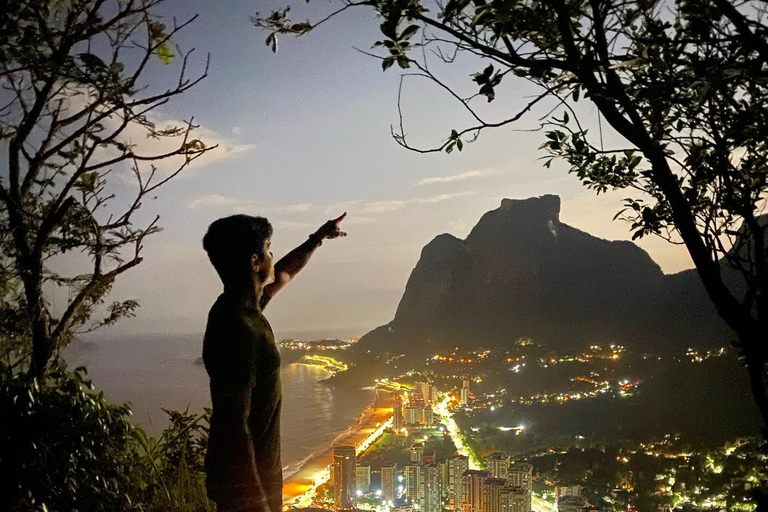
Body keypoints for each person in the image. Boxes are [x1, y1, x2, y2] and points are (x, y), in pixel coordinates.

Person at [201, 213, 347, 512]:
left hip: (257, 480)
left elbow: (284, 274)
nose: (273, 254)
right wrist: (256, 503)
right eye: (268, 247)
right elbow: (234, 425)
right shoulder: (237, 327)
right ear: (255, 261)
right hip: (247, 490)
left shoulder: (240, 308)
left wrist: (316, 239)